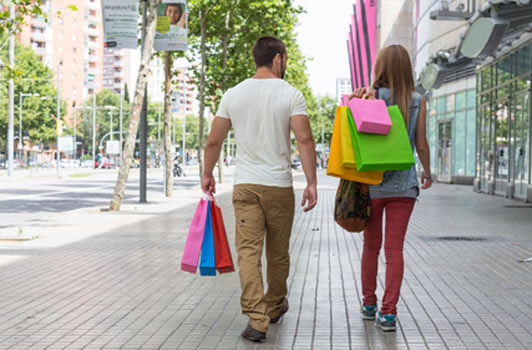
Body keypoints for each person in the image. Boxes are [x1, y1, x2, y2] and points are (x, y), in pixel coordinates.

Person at [201, 36, 317, 343]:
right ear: (278, 58)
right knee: (278, 253)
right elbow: (304, 140)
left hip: (246, 185)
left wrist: (207, 173)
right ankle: (276, 304)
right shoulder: (291, 94)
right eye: (287, 58)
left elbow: (214, 141)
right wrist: (311, 182)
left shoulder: (233, 94)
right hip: (279, 185)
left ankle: (257, 319)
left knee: (248, 253)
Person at [349, 44, 432, 332]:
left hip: (372, 184)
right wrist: (428, 173)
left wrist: (354, 100)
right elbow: (421, 144)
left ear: (380, 67)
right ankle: (389, 312)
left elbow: (353, 137)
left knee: (371, 247)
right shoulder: (417, 100)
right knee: (394, 249)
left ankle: (369, 304)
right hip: (404, 186)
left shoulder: (370, 97)